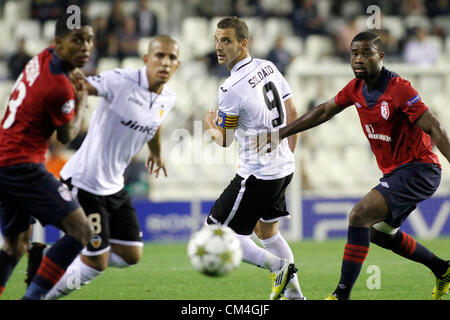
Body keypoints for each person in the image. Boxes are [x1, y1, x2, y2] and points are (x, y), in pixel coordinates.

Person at [257, 31, 450, 300]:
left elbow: (435, 128)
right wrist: (283, 132)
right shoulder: (355, 89)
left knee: (359, 214)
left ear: (380, 56)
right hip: (396, 172)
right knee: (377, 234)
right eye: (354, 53)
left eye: (366, 53)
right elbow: (325, 110)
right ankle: (443, 269)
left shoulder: (399, 89)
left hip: (420, 169)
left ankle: (340, 295)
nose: (358, 59)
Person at [33, 35, 180, 300]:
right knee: (97, 262)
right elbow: (80, 85)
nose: (165, 62)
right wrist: (71, 98)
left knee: (131, 254)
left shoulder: (167, 97)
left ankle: (56, 256)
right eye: (159, 55)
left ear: (178, 65)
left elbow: (155, 123)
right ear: (146, 59)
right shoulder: (120, 80)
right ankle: (40, 295)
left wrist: (156, 153)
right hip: (85, 181)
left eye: (171, 58)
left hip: (114, 187)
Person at [203, 16, 305, 300]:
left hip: (257, 174)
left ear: (243, 43)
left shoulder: (230, 88)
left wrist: (209, 123)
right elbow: (293, 113)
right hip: (283, 168)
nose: (219, 47)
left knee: (214, 232)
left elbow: (224, 139)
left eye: (227, 40)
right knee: (267, 232)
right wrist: (286, 155)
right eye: (216, 40)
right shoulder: (268, 67)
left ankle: (278, 268)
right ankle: (296, 297)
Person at [0, 12, 94, 299]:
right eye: (78, 40)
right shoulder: (59, 88)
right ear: (59, 43)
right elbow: (66, 136)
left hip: (5, 160)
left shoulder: (43, 56)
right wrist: (81, 102)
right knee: (81, 231)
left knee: (16, 246)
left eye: (89, 40)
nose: (86, 47)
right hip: (22, 166)